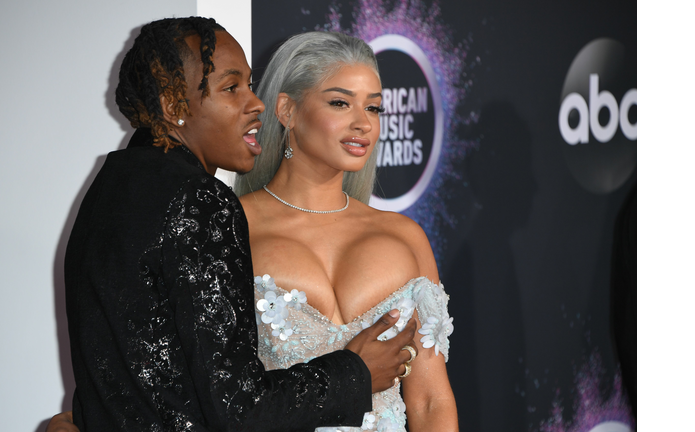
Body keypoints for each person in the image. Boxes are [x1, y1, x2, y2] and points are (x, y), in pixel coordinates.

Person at [56, 17, 418, 432]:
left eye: (249, 83)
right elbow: (238, 410)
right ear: (175, 107)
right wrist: (357, 373)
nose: (255, 103)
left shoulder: (110, 187)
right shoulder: (199, 200)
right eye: (231, 88)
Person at [234, 32, 458, 431]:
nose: (362, 124)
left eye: (374, 108)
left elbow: (429, 401)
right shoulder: (233, 228)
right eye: (340, 103)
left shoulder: (405, 237)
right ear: (286, 110)